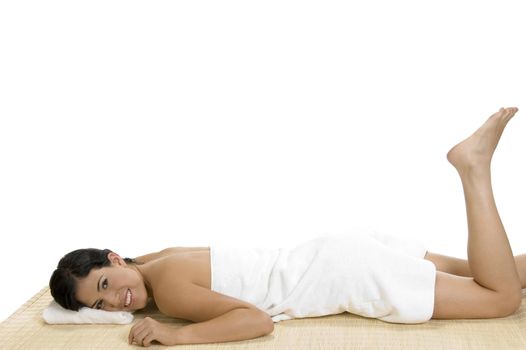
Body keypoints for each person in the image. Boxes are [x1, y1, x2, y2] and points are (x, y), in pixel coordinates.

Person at [49, 107, 526, 347]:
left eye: (107, 284)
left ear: (114, 258)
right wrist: (98, 304)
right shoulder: (159, 258)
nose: (116, 302)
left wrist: (174, 336)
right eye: (101, 303)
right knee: (497, 273)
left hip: (348, 274)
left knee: (500, 298)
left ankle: (473, 170)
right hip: (337, 250)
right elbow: (128, 281)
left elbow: (255, 321)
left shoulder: (171, 292)